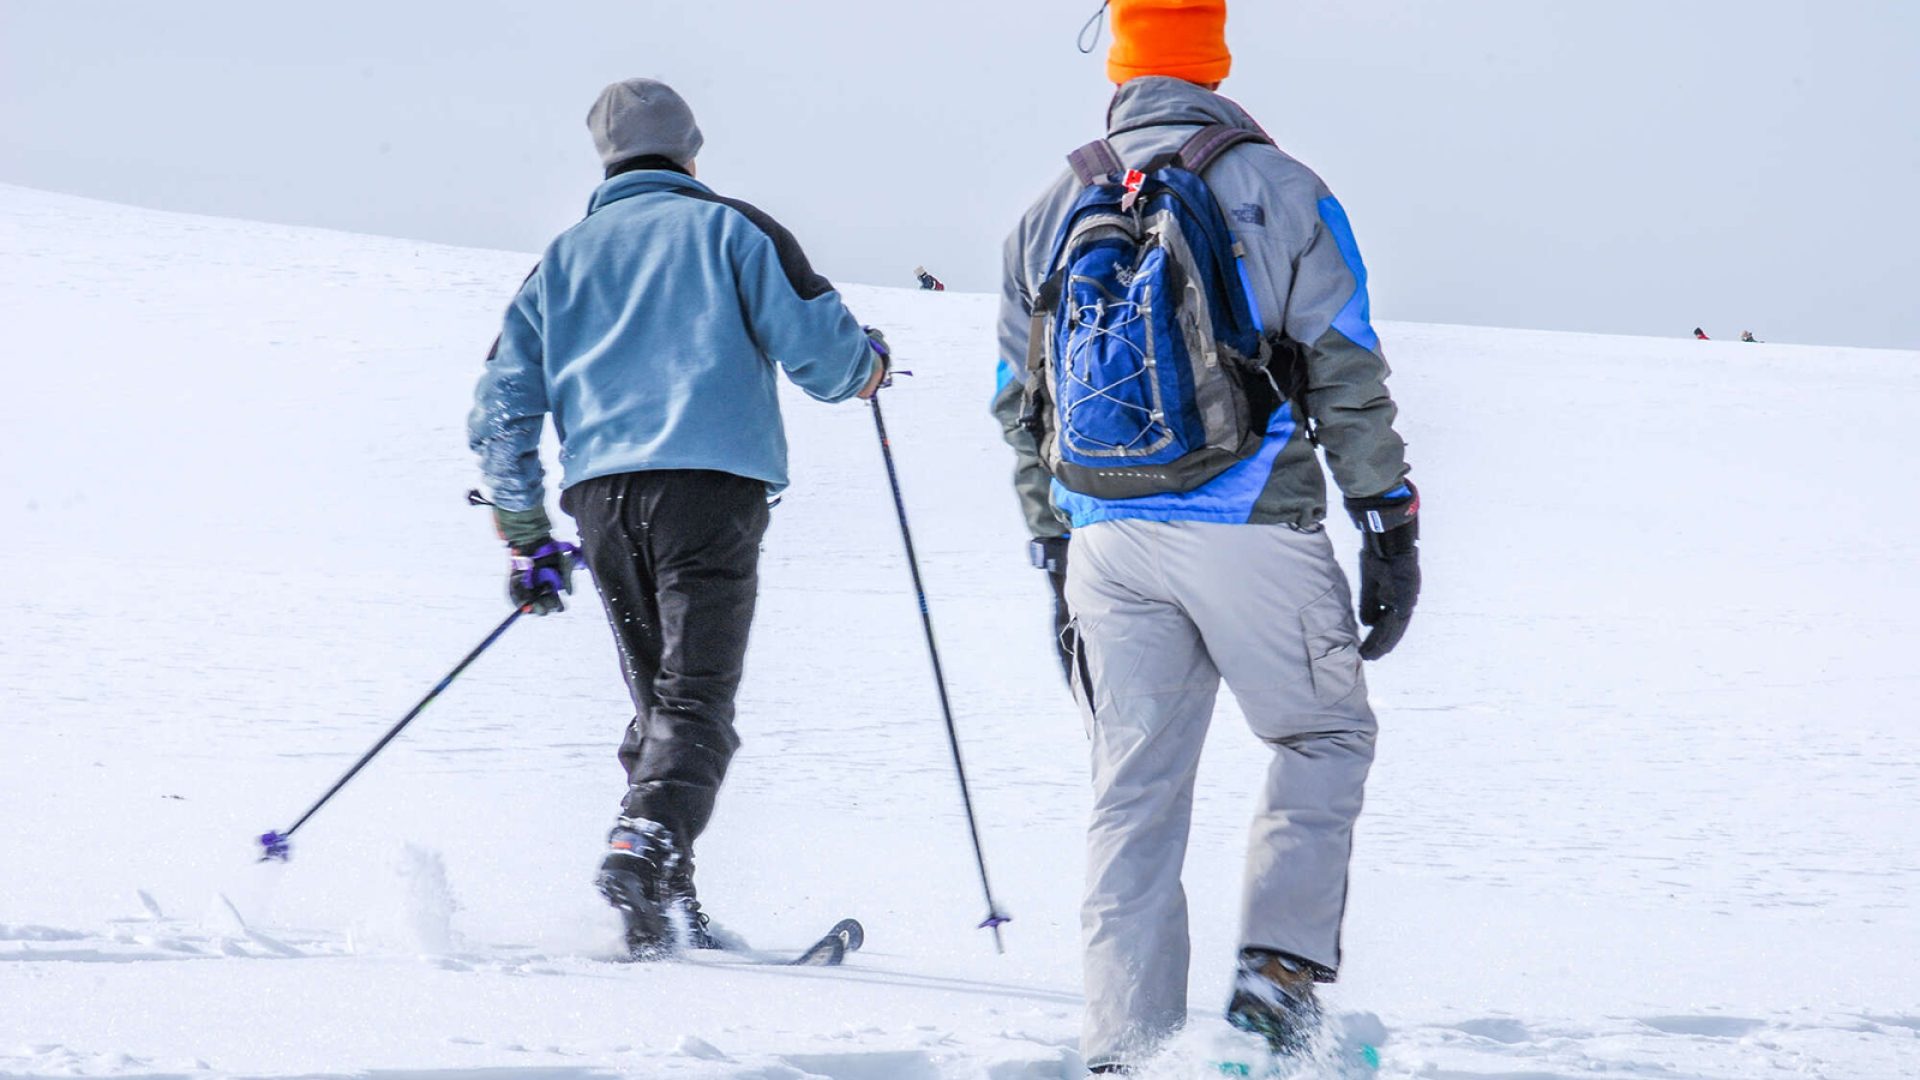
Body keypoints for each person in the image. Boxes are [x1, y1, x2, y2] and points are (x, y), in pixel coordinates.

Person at [994, 1, 1420, 1070]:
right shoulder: (1283, 187)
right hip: (1251, 524)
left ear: (1124, 70)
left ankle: (1123, 1048)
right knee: (1320, 736)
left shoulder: (1050, 203)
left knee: (1131, 792)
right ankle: (1275, 985)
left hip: (1105, 538)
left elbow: (1017, 398)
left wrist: (1055, 549)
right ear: (1214, 65)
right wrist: (1386, 522)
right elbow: (1346, 368)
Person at [468, 77, 888, 958]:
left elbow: (503, 405)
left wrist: (528, 536)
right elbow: (825, 358)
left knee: (660, 700)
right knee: (696, 699)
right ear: (691, 152)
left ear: (608, 160)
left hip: (601, 503)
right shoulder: (734, 228)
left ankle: (661, 904)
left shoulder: (563, 257)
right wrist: (871, 366)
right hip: (708, 489)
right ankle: (645, 844)